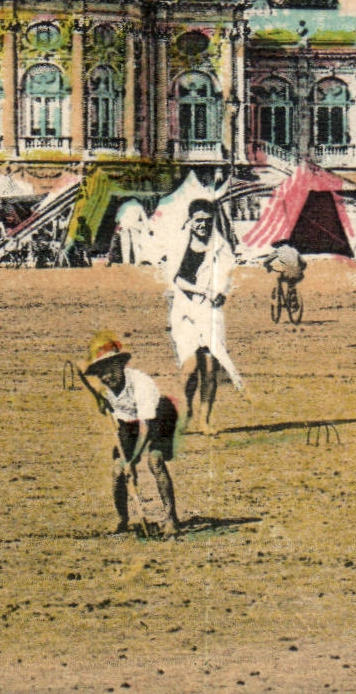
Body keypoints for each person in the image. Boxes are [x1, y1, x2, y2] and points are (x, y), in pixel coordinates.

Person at [76, 331, 181, 538]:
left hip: (159, 418)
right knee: (118, 471)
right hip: (129, 423)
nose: (107, 377)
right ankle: (123, 521)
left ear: (121, 366)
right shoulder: (105, 390)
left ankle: (171, 519)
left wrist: (132, 460)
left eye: (110, 370)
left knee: (155, 461)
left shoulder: (141, 383)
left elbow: (147, 427)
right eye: (101, 373)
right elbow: (114, 411)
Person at [166, 197, 240, 435]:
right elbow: (174, 278)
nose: (203, 226)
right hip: (185, 311)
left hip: (209, 312)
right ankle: (186, 410)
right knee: (189, 367)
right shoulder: (179, 243)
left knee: (210, 367)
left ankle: (204, 420)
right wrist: (200, 290)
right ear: (190, 221)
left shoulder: (220, 246)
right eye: (198, 221)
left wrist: (221, 293)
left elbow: (228, 276)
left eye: (208, 221)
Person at [263, 238, 305, 308]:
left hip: (288, 273)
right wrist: (299, 269)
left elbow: (266, 262)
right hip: (299, 274)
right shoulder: (294, 251)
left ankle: (280, 300)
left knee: (279, 279)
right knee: (291, 282)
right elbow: (304, 263)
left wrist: (269, 267)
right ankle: (292, 296)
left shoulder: (279, 251)